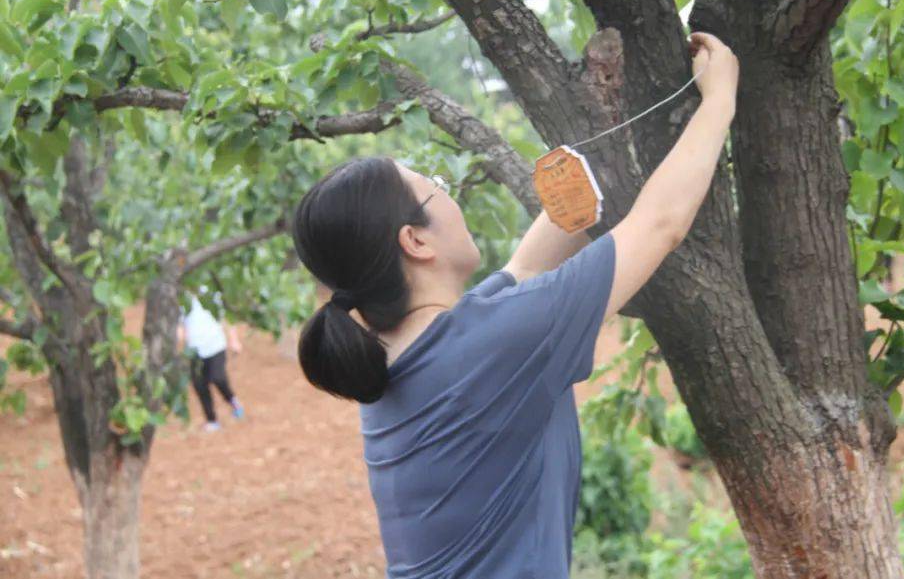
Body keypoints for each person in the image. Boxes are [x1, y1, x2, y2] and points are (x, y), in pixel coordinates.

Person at [290, 31, 738, 578]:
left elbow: (524, 270)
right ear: (416, 241)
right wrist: (719, 100)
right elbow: (660, 224)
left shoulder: (414, 351)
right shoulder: (495, 343)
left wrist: (587, 149)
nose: (446, 190)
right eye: (433, 186)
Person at [178, 289, 245, 432]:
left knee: (218, 378)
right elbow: (180, 325)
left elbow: (225, 317)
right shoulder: (182, 297)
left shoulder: (210, 292)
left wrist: (234, 340)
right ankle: (211, 420)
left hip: (215, 345)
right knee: (200, 385)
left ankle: (233, 401)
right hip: (194, 350)